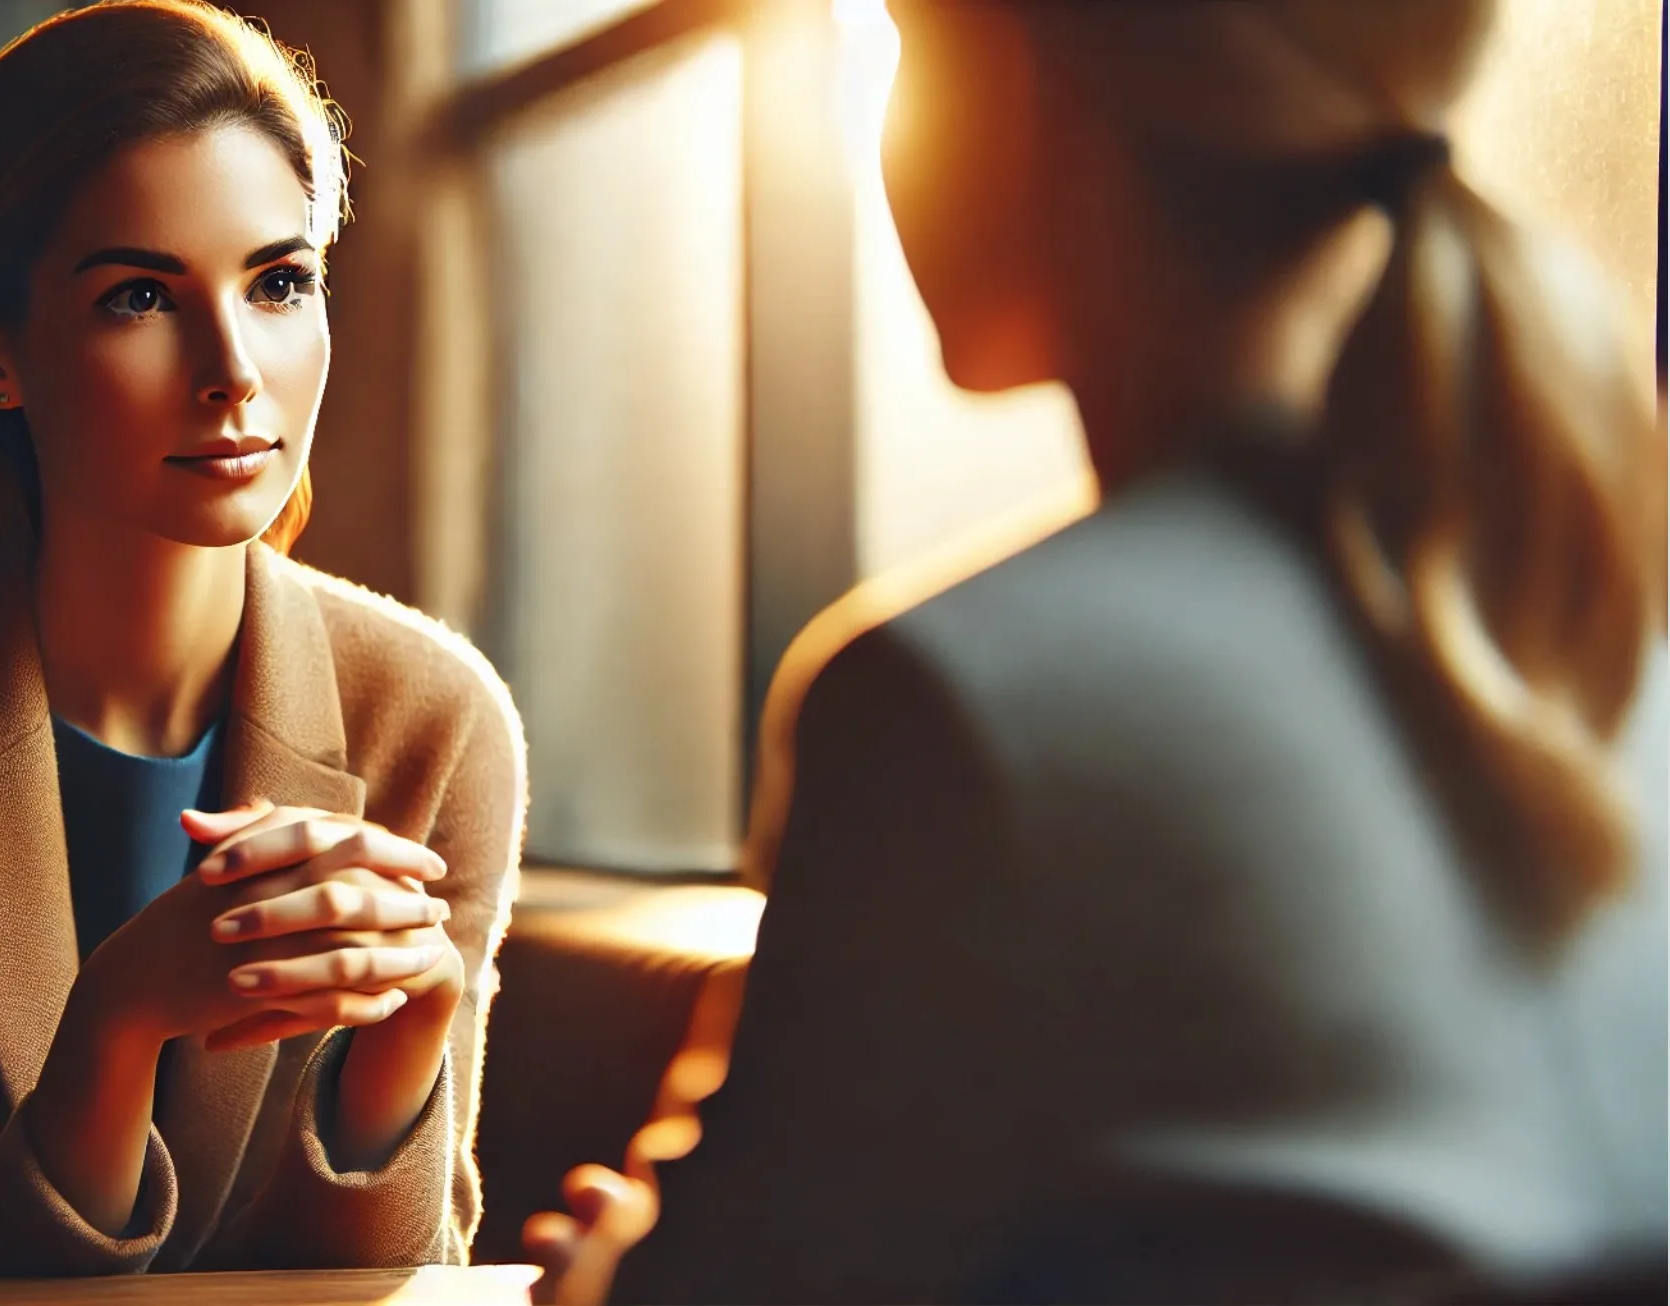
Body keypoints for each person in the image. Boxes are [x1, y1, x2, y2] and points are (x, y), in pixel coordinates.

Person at [526, 1, 1666, 1301]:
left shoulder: (956, 700)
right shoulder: (1589, 616)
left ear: (1019, 99)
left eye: (905, 44)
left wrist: (605, 1273)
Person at [0, 0, 524, 1278]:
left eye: (280, 282)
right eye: (140, 295)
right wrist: (119, 1024)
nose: (236, 368)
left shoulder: (435, 716)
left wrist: (402, 1060)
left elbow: (393, 1277)